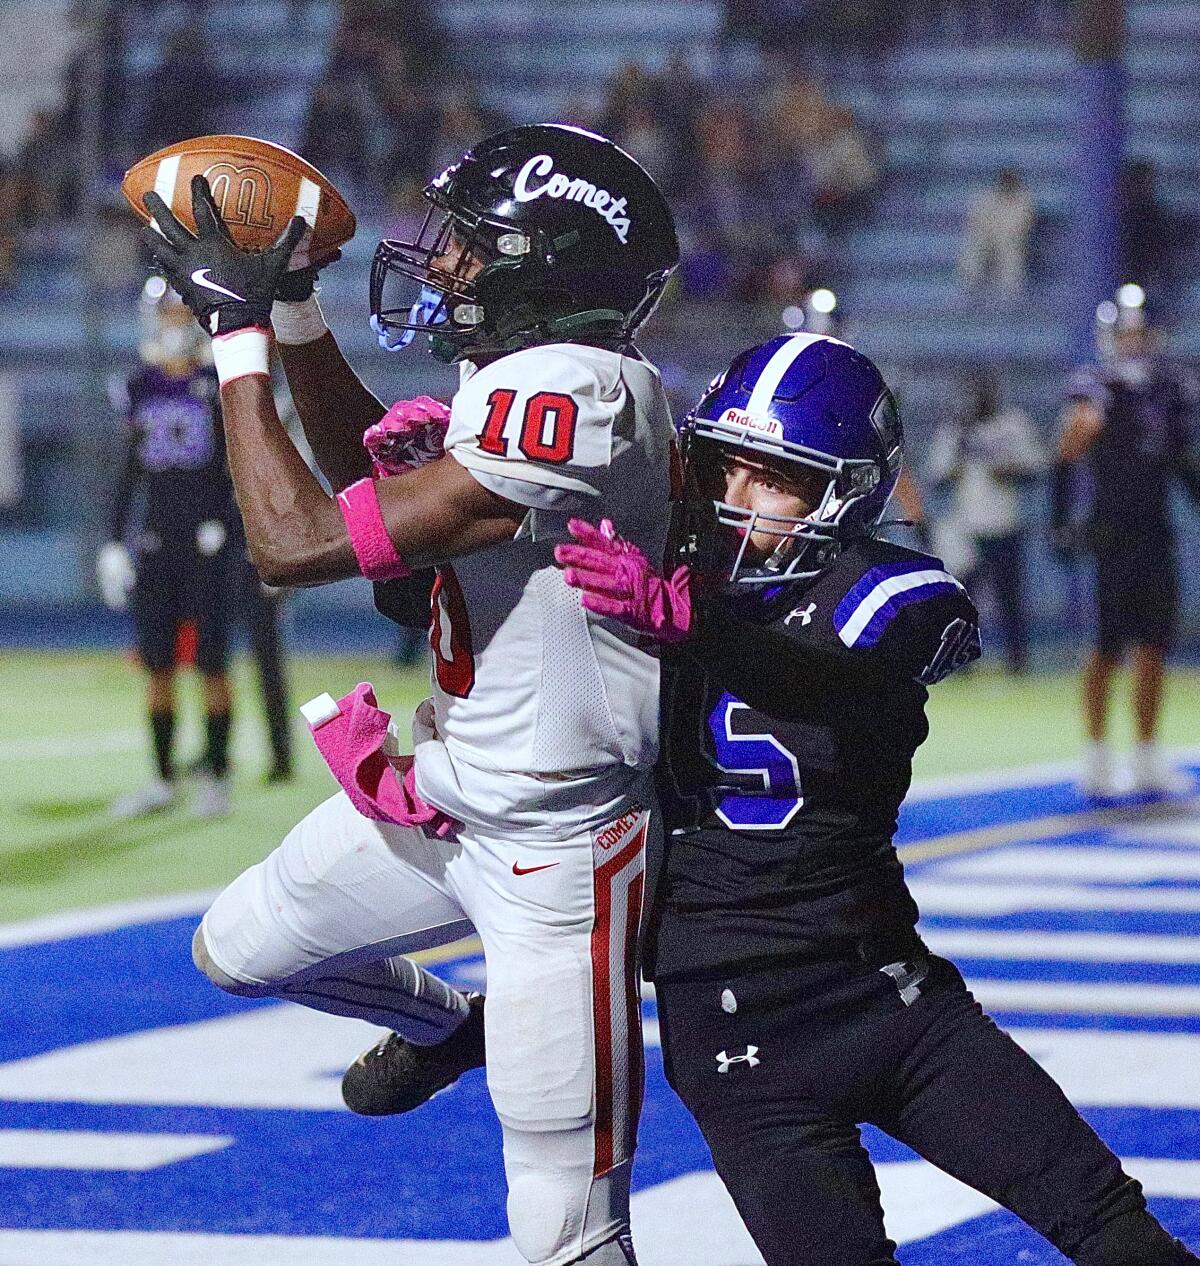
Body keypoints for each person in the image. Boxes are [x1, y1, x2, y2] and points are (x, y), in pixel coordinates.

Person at [368, 333, 1199, 1266]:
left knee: (1110, 1225)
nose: (737, 501)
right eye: (728, 468)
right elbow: (446, 610)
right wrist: (433, 500)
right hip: (733, 1034)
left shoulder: (881, 590)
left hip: (889, 996)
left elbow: (842, 680)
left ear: (845, 490)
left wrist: (696, 629)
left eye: (776, 479)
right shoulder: (645, 570)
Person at [141, 123, 679, 1266]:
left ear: (550, 264)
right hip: (445, 796)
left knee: (564, 1233)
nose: (440, 262)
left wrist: (233, 339)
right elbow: (365, 496)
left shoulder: (579, 391)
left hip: (559, 850)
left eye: (475, 246)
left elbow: (296, 546)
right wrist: (290, 311)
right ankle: (454, 1032)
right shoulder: (517, 379)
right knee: (239, 950)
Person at [97, 278, 239, 819]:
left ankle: (217, 775)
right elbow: (129, 470)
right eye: (169, 315)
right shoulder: (138, 385)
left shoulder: (215, 382)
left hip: (207, 539)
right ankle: (161, 779)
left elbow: (234, 467)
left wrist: (226, 522)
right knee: (157, 664)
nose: (175, 325)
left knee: (211, 662)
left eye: (184, 315)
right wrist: (114, 540)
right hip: (156, 538)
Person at [1055, 290, 1200, 798]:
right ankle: (1095, 754)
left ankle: (1145, 753)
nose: (1134, 344)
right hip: (1111, 533)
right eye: (1127, 334)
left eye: (1140, 334)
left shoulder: (1171, 387)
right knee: (1104, 647)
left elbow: (1183, 461)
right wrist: (1062, 519)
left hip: (1155, 530)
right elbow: (1069, 449)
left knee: (1154, 646)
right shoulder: (1095, 385)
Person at [928, 371, 1044, 673]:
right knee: (963, 602)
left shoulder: (1011, 425)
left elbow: (1035, 467)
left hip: (1004, 522)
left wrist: (1008, 470)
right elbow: (938, 475)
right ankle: (961, 662)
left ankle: (1016, 660)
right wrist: (957, 462)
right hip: (968, 526)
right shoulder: (955, 430)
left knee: (1010, 600)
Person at [956, 168, 1036, 297]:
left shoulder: (1024, 200)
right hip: (987, 238)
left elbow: (1021, 227)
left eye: (1010, 182)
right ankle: (968, 291)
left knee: (1010, 252)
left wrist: (1000, 235)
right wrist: (989, 236)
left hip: (1009, 240)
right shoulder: (987, 199)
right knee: (973, 250)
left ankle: (1010, 293)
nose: (1007, 185)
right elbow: (977, 222)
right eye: (1004, 182)